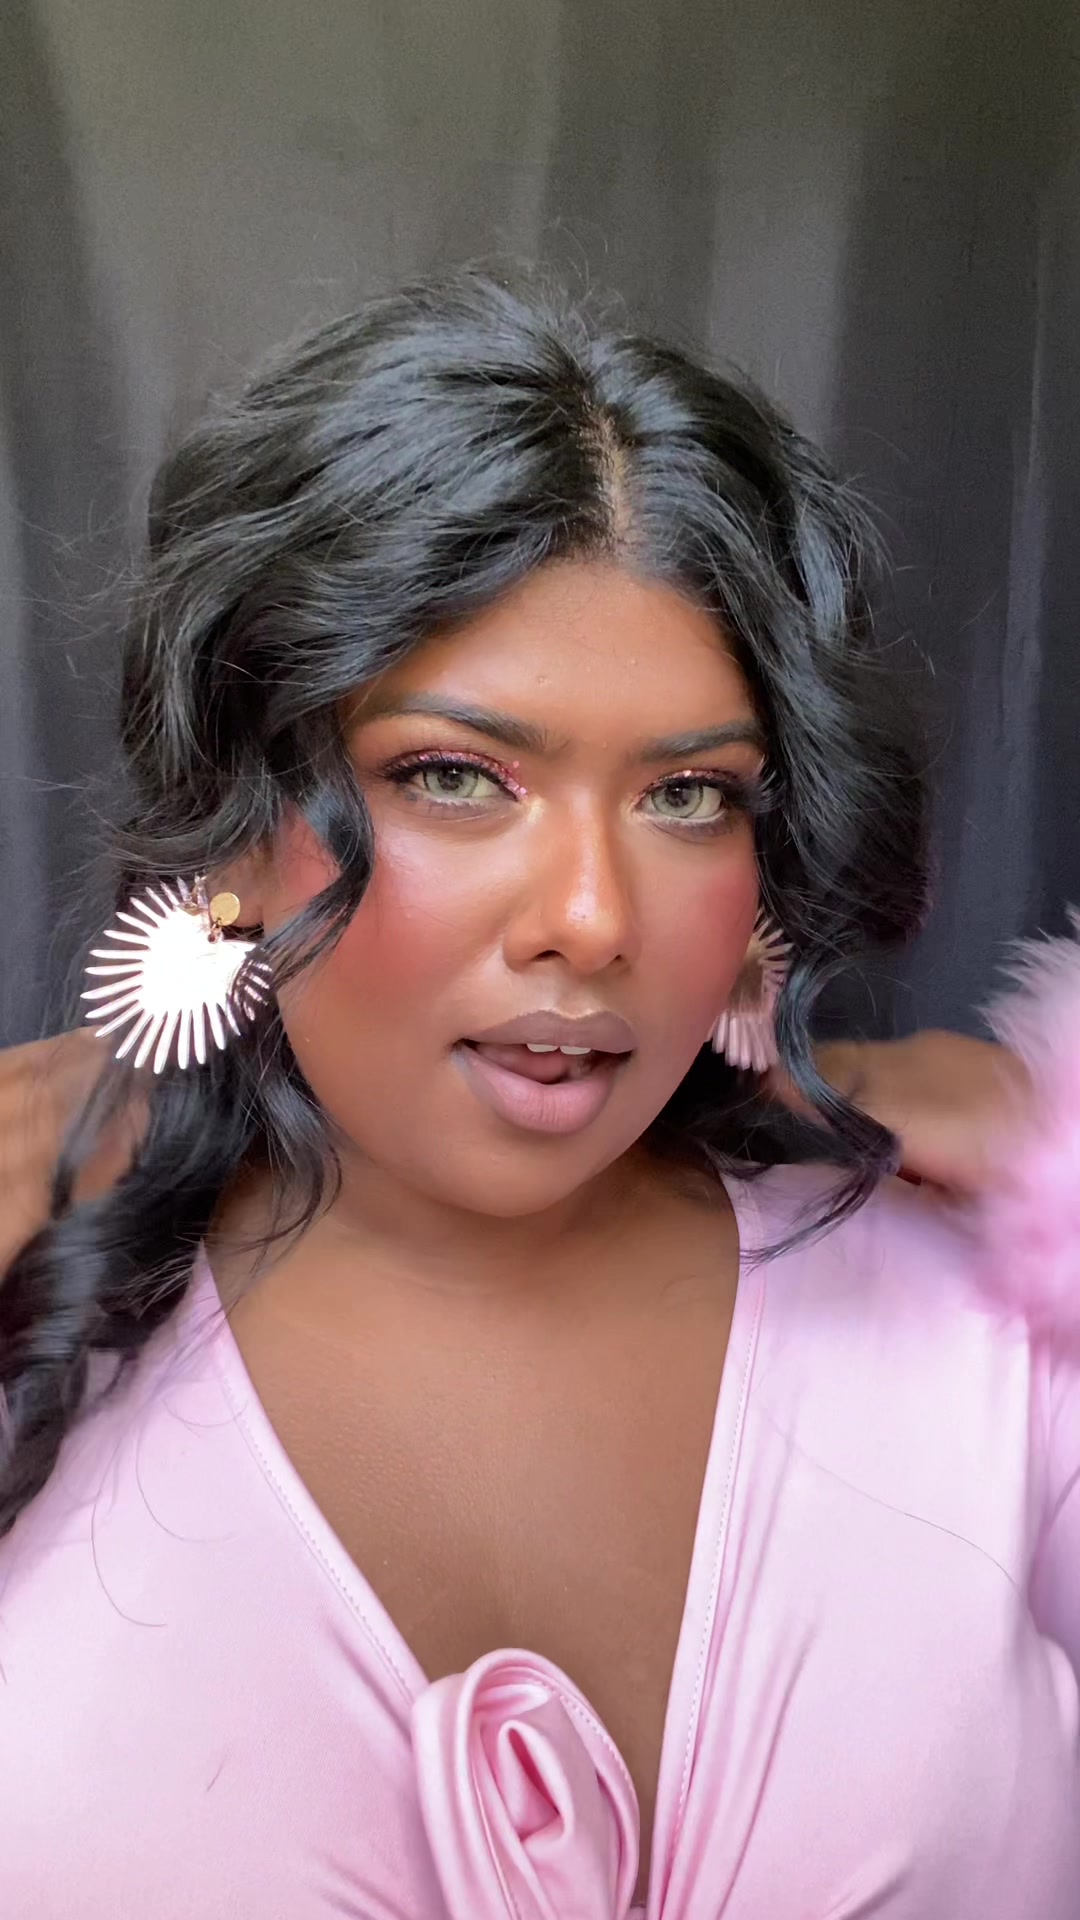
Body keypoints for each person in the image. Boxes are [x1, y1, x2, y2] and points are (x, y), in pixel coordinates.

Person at [0, 268, 1077, 1920]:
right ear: (237, 820)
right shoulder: (38, 1341)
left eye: (689, 795)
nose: (590, 917)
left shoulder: (984, 1342)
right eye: (455, 775)